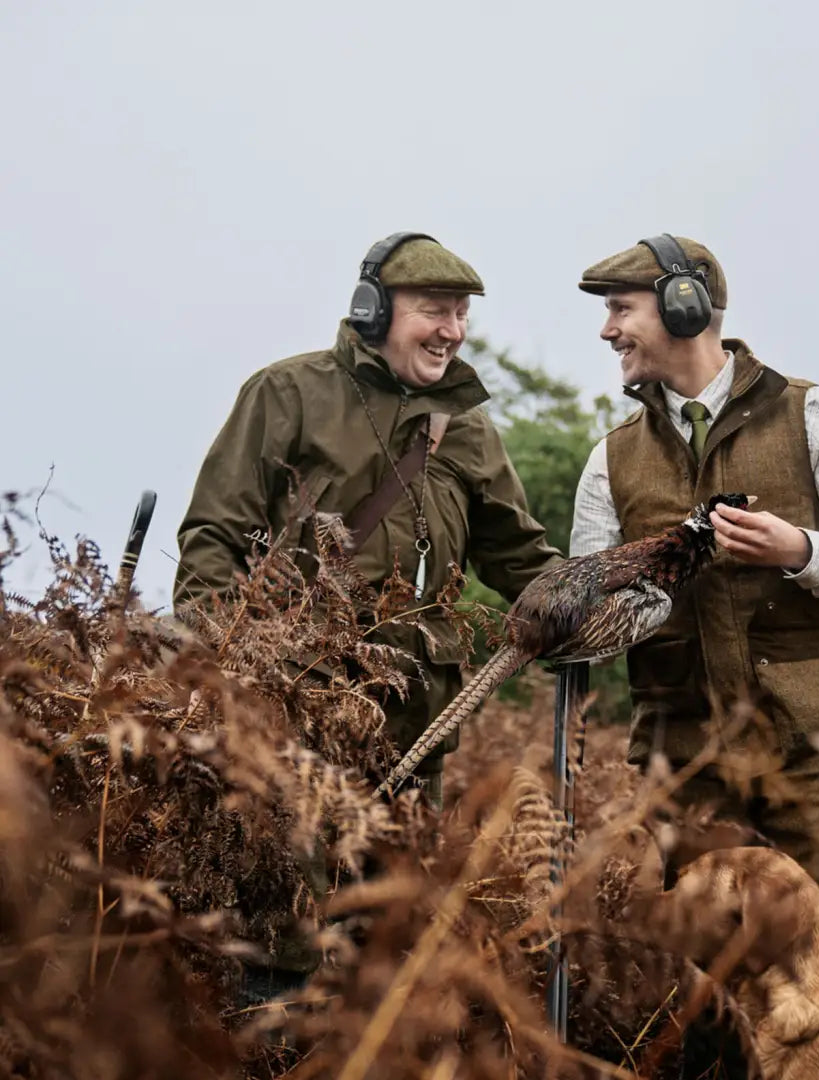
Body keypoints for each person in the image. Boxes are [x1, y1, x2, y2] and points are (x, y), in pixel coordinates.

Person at [570, 234, 819, 1004]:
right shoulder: (611, 459)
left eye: (620, 309)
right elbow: (588, 610)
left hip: (817, 743)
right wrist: (605, 604)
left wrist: (798, 548)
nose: (607, 331)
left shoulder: (811, 412)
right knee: (719, 982)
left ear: (685, 305)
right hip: (687, 756)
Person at [175, 232, 561, 810]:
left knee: (396, 899)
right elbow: (213, 539)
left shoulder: (468, 428)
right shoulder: (287, 394)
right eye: (433, 311)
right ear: (373, 310)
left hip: (412, 738)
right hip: (291, 718)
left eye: (461, 315)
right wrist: (221, 680)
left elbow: (517, 556)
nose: (451, 331)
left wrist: (594, 593)